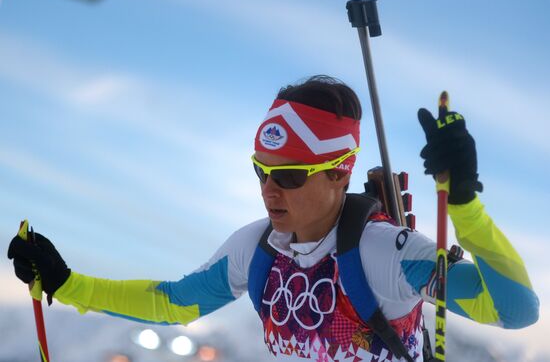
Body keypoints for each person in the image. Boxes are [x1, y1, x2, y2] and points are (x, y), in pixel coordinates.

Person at [8, 75, 539, 361]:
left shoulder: (384, 253)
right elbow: (169, 303)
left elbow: (515, 311)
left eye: (288, 176)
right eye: (260, 170)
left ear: (338, 173)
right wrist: (67, 283)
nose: (267, 189)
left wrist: (465, 206)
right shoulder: (258, 248)